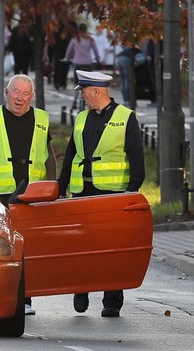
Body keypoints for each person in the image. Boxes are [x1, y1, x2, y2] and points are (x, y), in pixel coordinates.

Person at [56, 70, 145, 318]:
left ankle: (112, 301)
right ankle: (81, 290)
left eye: (84, 91)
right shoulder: (81, 118)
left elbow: (137, 157)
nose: (82, 96)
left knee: (111, 249)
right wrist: (61, 188)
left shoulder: (125, 117)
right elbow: (70, 155)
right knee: (80, 245)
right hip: (82, 192)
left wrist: (131, 193)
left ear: (96, 91)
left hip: (112, 195)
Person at [0, 74, 56, 317]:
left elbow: (49, 156)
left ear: (32, 96)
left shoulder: (42, 119)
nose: (20, 98)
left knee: (26, 248)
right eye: (16, 92)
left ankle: (25, 299)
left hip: (32, 194)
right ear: (6, 92)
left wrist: (53, 187)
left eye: (26, 94)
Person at [64, 23, 101, 109]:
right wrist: (98, 59)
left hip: (78, 64)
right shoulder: (90, 39)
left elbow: (69, 50)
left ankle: (74, 100)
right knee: (88, 84)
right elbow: (95, 50)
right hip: (88, 63)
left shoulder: (75, 38)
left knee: (76, 82)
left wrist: (67, 58)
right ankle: (89, 101)